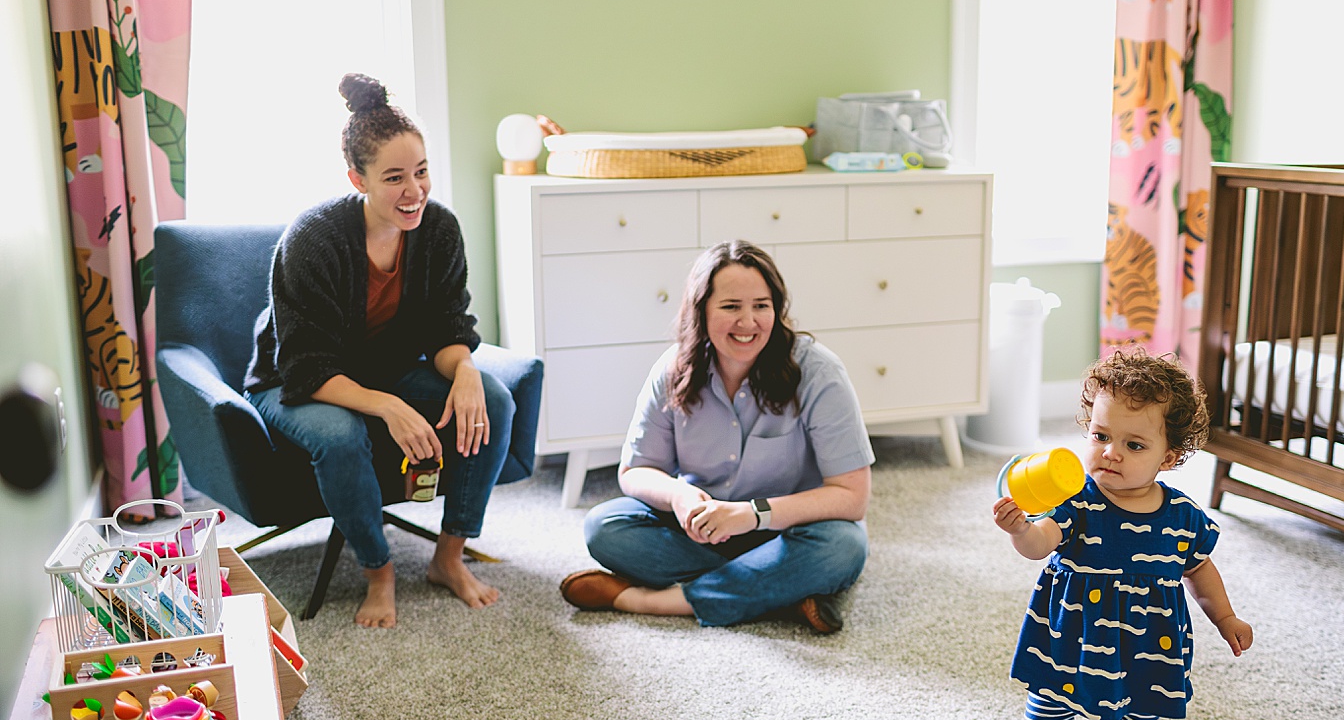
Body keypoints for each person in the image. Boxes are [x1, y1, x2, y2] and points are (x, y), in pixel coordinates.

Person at [244, 73, 514, 629]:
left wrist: (463, 368)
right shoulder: (314, 237)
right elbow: (305, 365)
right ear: (357, 178)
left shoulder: (437, 229)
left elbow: (447, 325)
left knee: (494, 397)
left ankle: (449, 557)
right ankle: (378, 570)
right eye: (394, 178)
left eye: (421, 172)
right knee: (341, 436)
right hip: (295, 382)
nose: (414, 191)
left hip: (385, 372)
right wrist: (388, 406)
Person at [991, 347, 1253, 720]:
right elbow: (1041, 542)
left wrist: (1225, 617)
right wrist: (1020, 527)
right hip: (1070, 638)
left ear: (1169, 457)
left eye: (1134, 444)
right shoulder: (1078, 500)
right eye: (1100, 436)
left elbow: (1199, 568)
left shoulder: (1183, 517)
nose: (1110, 453)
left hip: (1144, 646)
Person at [563, 240, 873, 632]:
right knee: (605, 527)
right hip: (705, 531)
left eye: (761, 305)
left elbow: (852, 497)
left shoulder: (819, 372)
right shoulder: (673, 369)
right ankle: (782, 589)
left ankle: (653, 601)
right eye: (731, 307)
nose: (749, 322)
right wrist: (679, 495)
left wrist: (750, 514)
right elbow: (636, 471)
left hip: (789, 530)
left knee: (842, 548)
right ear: (702, 311)